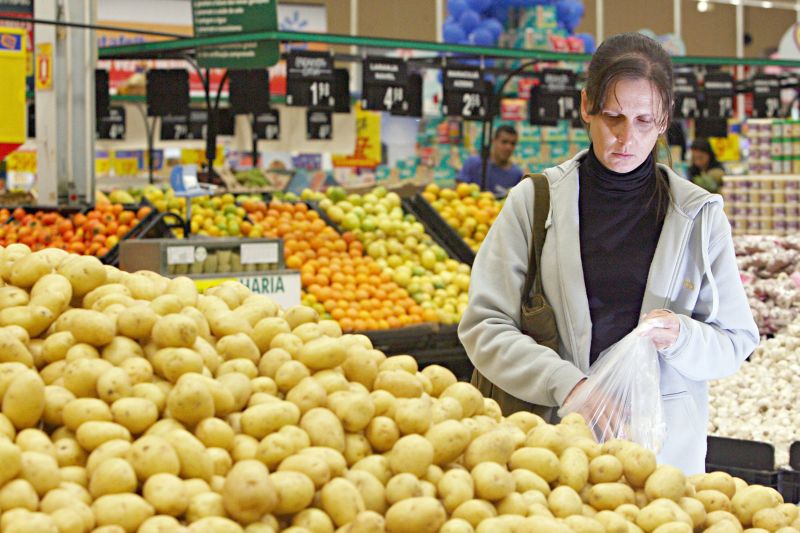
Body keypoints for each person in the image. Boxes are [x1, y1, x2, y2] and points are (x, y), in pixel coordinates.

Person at [458, 32, 758, 474]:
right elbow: (484, 325)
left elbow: (736, 340)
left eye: (643, 120)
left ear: (665, 119)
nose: (625, 138)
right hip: (548, 452)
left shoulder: (699, 217)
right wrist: (567, 384)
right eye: (612, 117)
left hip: (664, 463)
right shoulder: (534, 202)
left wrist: (681, 335)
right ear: (586, 106)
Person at [456, 125, 523, 197]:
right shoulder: (473, 162)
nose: (508, 147)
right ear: (494, 141)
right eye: (504, 142)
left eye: (513, 143)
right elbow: (460, 187)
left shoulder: (516, 174)